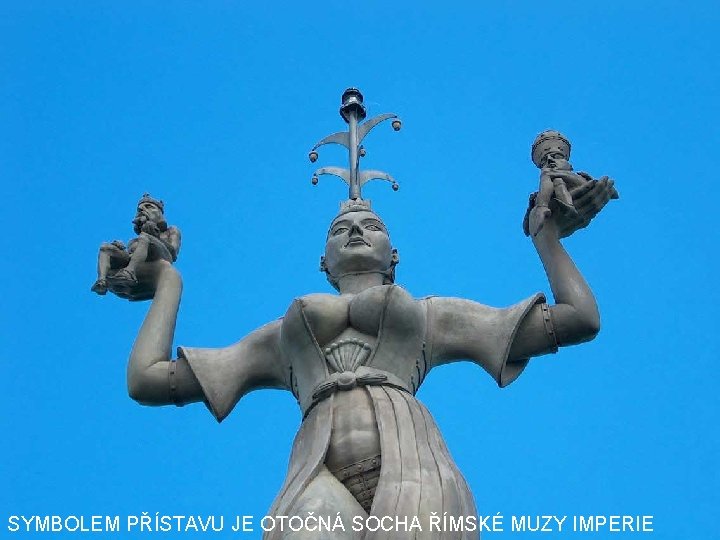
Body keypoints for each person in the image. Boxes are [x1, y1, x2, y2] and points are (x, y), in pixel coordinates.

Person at [123, 171, 615, 539]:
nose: (356, 231)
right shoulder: (279, 340)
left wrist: (546, 239)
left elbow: (579, 319)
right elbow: (147, 380)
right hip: (317, 474)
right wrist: (168, 283)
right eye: (340, 229)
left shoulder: (432, 316)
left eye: (371, 226)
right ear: (323, 262)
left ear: (393, 255)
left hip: (415, 468)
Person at [91, 193, 181, 301]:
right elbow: (131, 255)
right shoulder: (135, 240)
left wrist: (155, 236)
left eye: (149, 207)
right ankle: (102, 281)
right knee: (106, 248)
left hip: (161, 256)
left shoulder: (170, 231)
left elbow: (173, 253)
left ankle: (129, 273)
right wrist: (119, 249)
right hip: (137, 262)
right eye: (139, 209)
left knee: (145, 237)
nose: (142, 210)